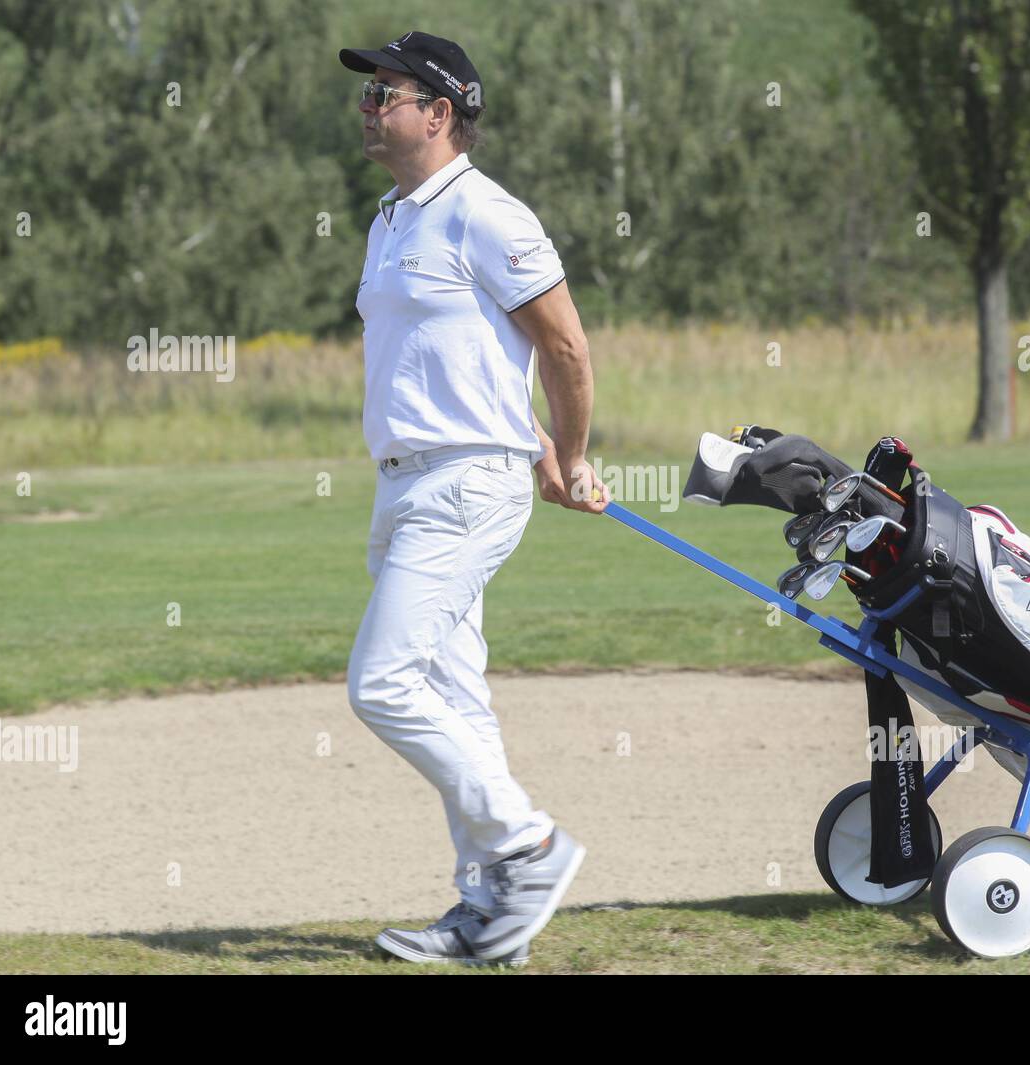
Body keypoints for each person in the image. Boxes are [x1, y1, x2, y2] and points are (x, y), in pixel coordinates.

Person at [338, 30, 609, 967]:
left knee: (381, 684)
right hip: (410, 481)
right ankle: (493, 913)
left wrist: (568, 453)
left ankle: (527, 846)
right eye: (369, 93)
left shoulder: (489, 216)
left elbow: (566, 347)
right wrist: (534, 436)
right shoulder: (390, 217)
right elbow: (467, 361)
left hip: (464, 488)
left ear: (440, 113)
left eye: (387, 93)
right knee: (452, 692)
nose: (370, 107)